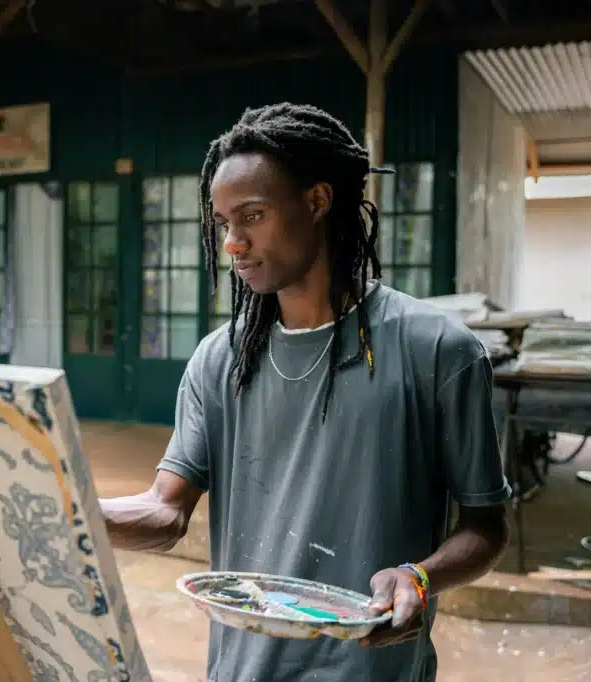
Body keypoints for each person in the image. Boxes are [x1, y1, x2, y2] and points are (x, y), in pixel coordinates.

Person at [99, 103, 511, 682]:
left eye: (253, 216)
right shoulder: (220, 359)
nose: (232, 244)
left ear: (317, 202)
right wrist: (68, 512)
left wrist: (420, 577)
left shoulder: (439, 350)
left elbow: (485, 528)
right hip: (240, 671)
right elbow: (165, 513)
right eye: (223, 224)